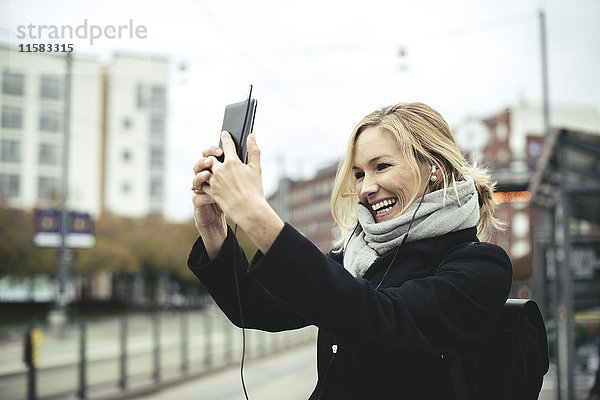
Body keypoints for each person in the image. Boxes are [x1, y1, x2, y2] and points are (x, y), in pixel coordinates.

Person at [188, 102, 512, 399]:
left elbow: (383, 320)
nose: (366, 188)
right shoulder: (355, 256)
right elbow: (258, 306)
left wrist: (256, 214)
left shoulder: (481, 265)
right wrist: (213, 228)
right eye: (358, 174)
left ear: (435, 166)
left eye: (381, 166)